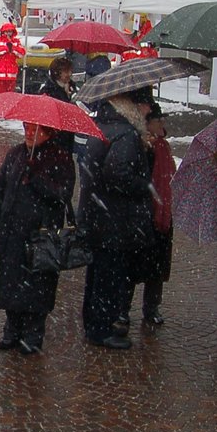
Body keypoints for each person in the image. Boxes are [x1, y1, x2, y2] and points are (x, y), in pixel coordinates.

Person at [0, 122, 76, 354]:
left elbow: (62, 195)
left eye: (35, 130)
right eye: (27, 128)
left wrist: (36, 178)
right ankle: (12, 328)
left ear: (49, 133)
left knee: (38, 286)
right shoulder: (15, 154)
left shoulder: (60, 159)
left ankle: (33, 333)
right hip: (11, 233)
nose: (28, 133)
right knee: (10, 282)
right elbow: (0, 188)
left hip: (40, 237)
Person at [77, 89, 153, 349]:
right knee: (109, 276)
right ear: (134, 106)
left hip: (98, 215)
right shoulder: (126, 133)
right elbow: (118, 175)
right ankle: (102, 328)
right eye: (145, 105)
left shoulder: (104, 125)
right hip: (114, 220)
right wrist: (144, 183)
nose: (149, 111)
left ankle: (95, 324)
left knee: (98, 274)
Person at [130, 102, 176, 329]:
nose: (163, 124)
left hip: (163, 214)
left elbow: (169, 179)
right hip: (146, 214)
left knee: (157, 267)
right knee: (136, 264)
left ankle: (152, 307)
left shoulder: (163, 147)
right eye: (159, 120)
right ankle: (124, 309)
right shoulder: (141, 147)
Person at [40, 56, 79, 154]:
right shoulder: (48, 91)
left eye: (70, 71)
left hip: (67, 136)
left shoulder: (72, 87)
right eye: (66, 71)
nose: (69, 74)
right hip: (54, 137)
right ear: (57, 73)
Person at [0, 23, 26, 97]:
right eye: (6, 31)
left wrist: (13, 49)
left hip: (11, 74)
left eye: (10, 31)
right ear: (3, 32)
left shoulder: (16, 42)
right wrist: (6, 48)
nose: (8, 33)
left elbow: (21, 54)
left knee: (10, 96)